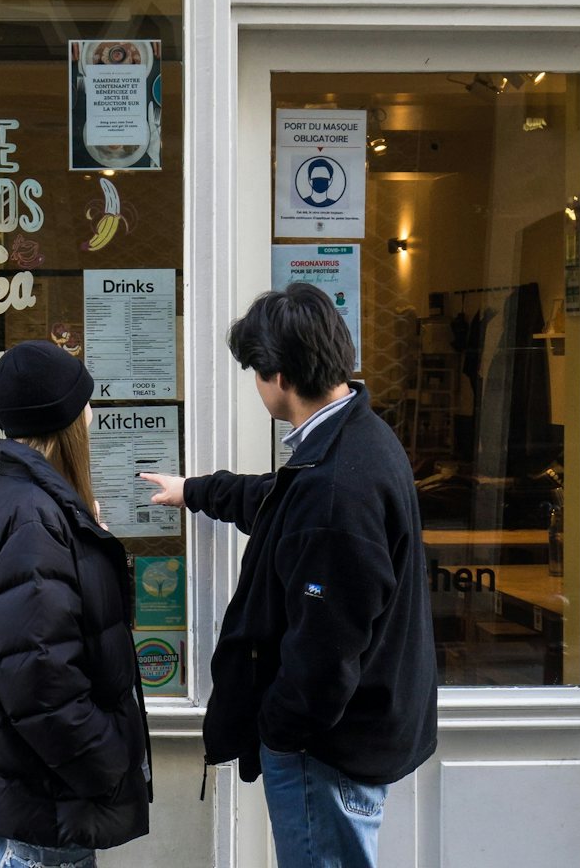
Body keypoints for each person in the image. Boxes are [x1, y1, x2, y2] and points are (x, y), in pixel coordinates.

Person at [141, 283, 437, 868]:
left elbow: (325, 651)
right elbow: (281, 507)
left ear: (277, 376)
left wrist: (278, 731)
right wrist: (197, 491)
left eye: (254, 372)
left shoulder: (335, 490)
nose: (256, 386)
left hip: (323, 748)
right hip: (349, 735)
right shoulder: (356, 438)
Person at [0, 340, 150, 868]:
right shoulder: (35, 519)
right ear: (66, 422)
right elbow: (40, 679)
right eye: (86, 404)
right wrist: (105, 761)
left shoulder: (16, 499)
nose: (95, 415)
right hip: (49, 791)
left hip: (29, 784)